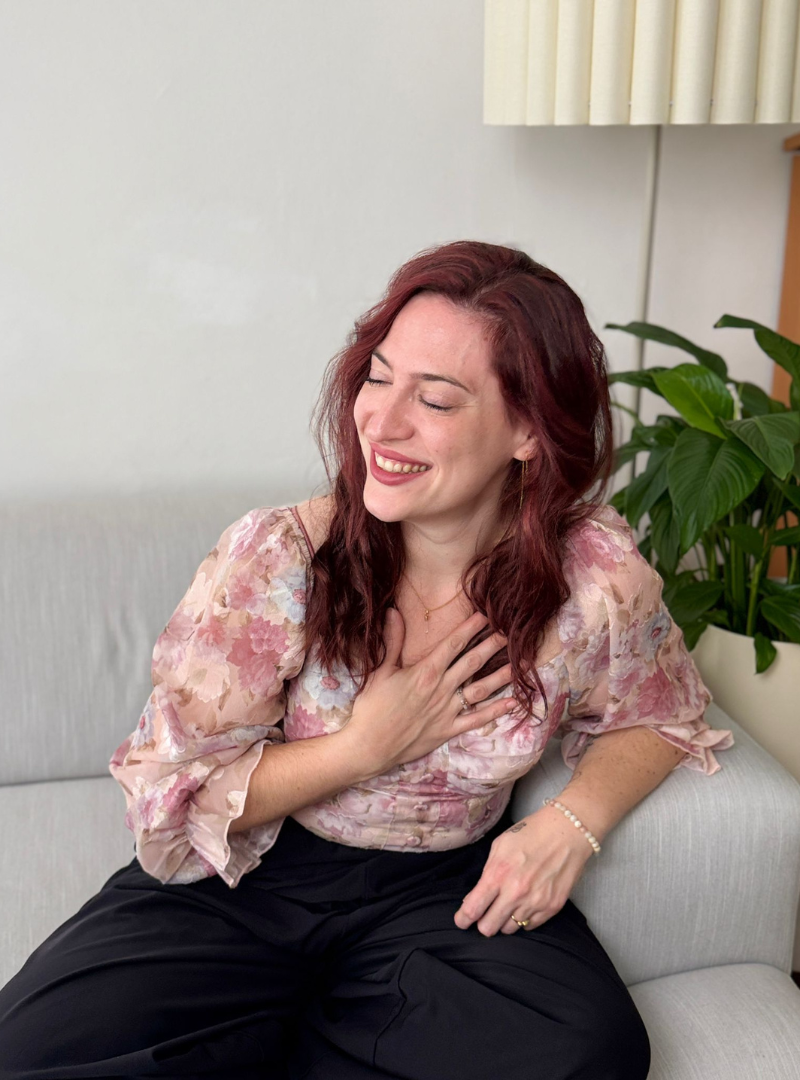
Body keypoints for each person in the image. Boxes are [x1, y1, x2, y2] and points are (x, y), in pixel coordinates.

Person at [0, 240, 734, 1080]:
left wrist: (572, 823)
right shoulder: (281, 557)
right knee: (26, 1055)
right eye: (379, 378)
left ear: (528, 430)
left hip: (439, 894)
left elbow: (661, 712)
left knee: (591, 1050)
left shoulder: (592, 577)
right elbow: (173, 790)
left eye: (437, 399)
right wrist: (363, 747)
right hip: (253, 877)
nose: (381, 422)